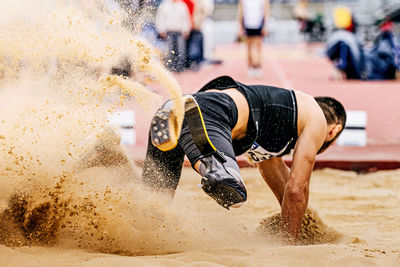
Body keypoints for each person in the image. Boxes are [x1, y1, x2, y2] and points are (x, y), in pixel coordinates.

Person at [142, 76, 346, 244]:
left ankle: (137, 235)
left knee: (153, 204)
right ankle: (216, 167)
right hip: (210, 112)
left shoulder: (277, 126)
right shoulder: (317, 118)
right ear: (333, 131)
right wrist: (288, 245)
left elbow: (283, 185)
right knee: (229, 186)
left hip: (186, 113)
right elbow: (296, 190)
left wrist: (301, 223)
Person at [155, 0, 191, 72]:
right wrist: (161, 30)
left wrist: (186, 30)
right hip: (168, 32)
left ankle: (180, 67)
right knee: (169, 50)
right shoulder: (164, 5)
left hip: (179, 32)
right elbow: (160, 18)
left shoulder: (182, 5)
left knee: (181, 50)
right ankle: (170, 67)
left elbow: (186, 19)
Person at [237, 0, 270, 78]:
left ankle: (258, 67)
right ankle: (250, 67)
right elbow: (240, 12)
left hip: (258, 25)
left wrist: (266, 26)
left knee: (258, 47)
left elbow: (266, 12)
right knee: (248, 47)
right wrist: (240, 27)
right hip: (248, 25)